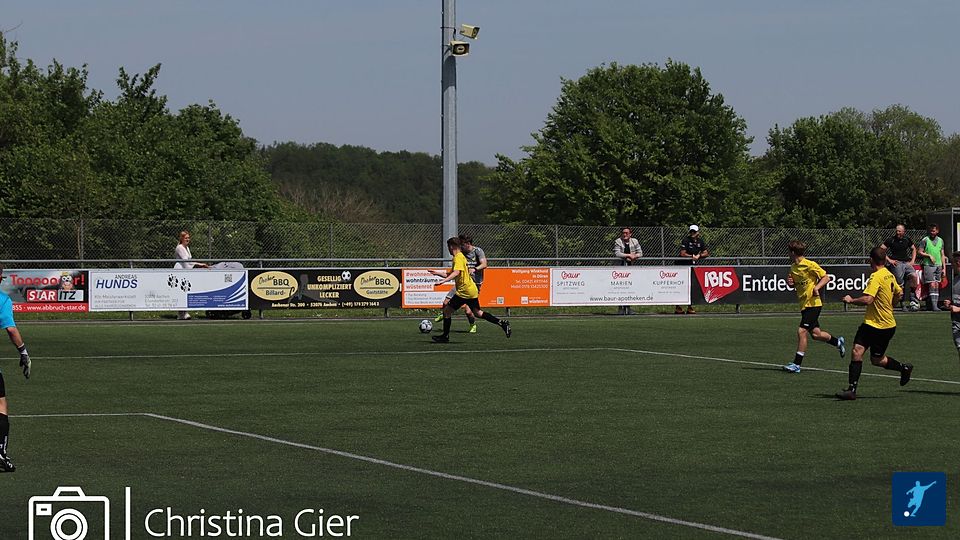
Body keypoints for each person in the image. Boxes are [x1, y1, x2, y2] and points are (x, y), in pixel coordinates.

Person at [837, 246, 913, 400]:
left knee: (876, 359)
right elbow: (899, 293)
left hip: (878, 326)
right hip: (882, 325)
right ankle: (852, 390)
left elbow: (868, 299)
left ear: (871, 260)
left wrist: (851, 300)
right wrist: (891, 304)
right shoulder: (889, 275)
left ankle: (903, 368)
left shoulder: (876, 276)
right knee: (859, 352)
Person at [429, 237, 510, 343]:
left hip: (464, 291)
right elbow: (452, 273)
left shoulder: (458, 257)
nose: (448, 250)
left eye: (448, 247)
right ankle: (502, 323)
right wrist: (437, 273)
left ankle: (445, 336)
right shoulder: (461, 257)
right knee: (478, 313)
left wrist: (443, 281)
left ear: (452, 246)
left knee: (447, 311)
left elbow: (456, 273)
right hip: (471, 290)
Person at [781, 240, 845, 373]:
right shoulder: (793, 267)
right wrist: (790, 284)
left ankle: (796, 364)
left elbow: (826, 277)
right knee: (816, 334)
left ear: (792, 252)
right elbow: (794, 285)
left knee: (801, 331)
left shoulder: (810, 265)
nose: (788, 254)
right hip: (804, 305)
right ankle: (837, 342)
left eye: (789, 252)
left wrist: (817, 287)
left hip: (813, 304)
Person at [0, 266, 32, 472]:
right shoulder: (2, 300)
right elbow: (11, 329)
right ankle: (0, 451)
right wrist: (23, 352)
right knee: (0, 404)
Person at [434, 235, 487, 333]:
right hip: (462, 283)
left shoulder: (478, 251)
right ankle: (445, 315)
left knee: (468, 311)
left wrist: (475, 269)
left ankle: (472, 325)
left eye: (462, 244)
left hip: (474, 284)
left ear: (468, 244)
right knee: (445, 303)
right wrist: (438, 273)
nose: (461, 246)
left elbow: (484, 264)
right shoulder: (460, 254)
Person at [174, 230, 208, 320]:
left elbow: (190, 261)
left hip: (186, 271)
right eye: (186, 238)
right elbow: (186, 262)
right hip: (180, 271)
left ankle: (184, 312)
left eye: (188, 238)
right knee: (181, 292)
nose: (188, 239)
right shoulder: (180, 248)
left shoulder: (187, 248)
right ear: (182, 239)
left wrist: (200, 265)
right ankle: (181, 313)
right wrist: (199, 265)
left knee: (186, 291)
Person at [883, 224, 919, 309]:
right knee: (900, 283)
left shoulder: (907, 239)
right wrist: (889, 260)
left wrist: (912, 261)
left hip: (906, 262)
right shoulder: (891, 240)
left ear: (903, 232)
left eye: (899, 231)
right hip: (897, 263)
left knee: (914, 276)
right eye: (896, 231)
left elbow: (914, 249)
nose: (897, 232)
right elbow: (881, 249)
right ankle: (902, 303)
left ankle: (912, 298)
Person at [676, 225, 709, 314]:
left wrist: (699, 256)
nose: (692, 233)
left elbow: (706, 253)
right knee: (681, 286)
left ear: (698, 232)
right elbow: (682, 253)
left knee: (692, 286)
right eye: (691, 231)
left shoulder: (700, 241)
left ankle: (690, 307)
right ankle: (678, 307)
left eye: (694, 231)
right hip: (682, 266)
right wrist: (692, 256)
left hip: (692, 267)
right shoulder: (686, 240)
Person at [917, 223, 947, 311]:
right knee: (932, 284)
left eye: (933, 231)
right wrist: (929, 255)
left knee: (937, 284)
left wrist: (944, 268)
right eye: (931, 231)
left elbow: (942, 254)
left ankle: (935, 304)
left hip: (938, 265)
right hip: (928, 265)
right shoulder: (925, 240)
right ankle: (934, 306)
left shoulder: (941, 240)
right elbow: (920, 251)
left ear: (937, 231)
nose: (932, 232)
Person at [614, 227, 643, 315]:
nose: (624, 234)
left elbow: (640, 253)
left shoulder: (635, 241)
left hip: (631, 268)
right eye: (623, 233)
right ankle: (620, 308)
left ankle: (628, 308)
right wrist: (629, 255)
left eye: (626, 233)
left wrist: (635, 256)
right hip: (620, 268)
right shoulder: (618, 241)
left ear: (630, 234)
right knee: (620, 289)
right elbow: (617, 253)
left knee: (630, 288)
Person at [942, 251, 960, 364]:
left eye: (953, 262)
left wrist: (958, 309)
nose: (952, 265)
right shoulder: (955, 280)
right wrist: (950, 303)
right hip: (956, 323)